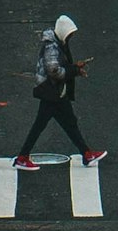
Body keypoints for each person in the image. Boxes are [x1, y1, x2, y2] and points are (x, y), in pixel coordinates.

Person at [14, 15, 108, 171]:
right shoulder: (52, 46)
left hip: (56, 92)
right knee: (46, 125)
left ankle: (87, 154)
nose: (71, 37)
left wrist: (74, 68)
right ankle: (22, 158)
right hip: (51, 92)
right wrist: (74, 70)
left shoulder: (58, 43)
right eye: (70, 34)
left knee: (69, 123)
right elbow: (54, 71)